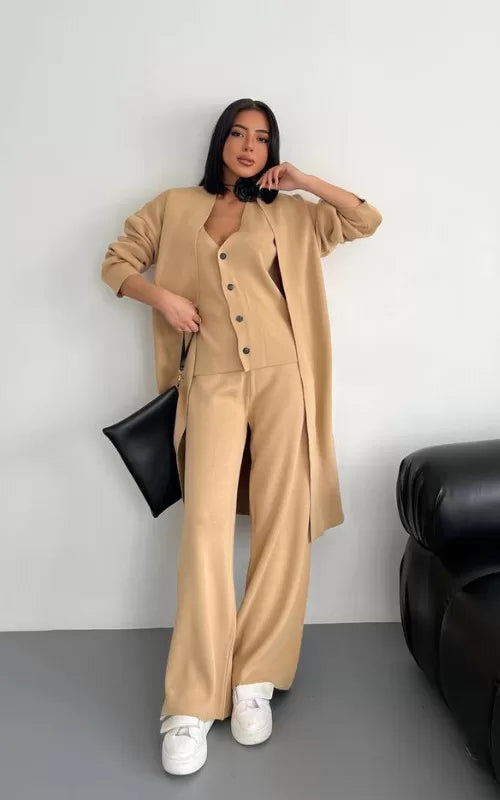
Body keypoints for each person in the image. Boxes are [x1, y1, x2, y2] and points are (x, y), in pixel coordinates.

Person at [101, 98, 383, 776]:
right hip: (211, 380)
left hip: (286, 377)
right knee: (205, 527)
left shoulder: (290, 213)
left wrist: (303, 180)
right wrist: (163, 298)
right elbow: (116, 262)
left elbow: (364, 219)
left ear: (271, 149)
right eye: (238, 133)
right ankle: (190, 702)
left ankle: (254, 677)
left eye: (262, 137)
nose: (249, 145)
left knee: (284, 521)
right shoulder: (174, 206)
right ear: (221, 141)